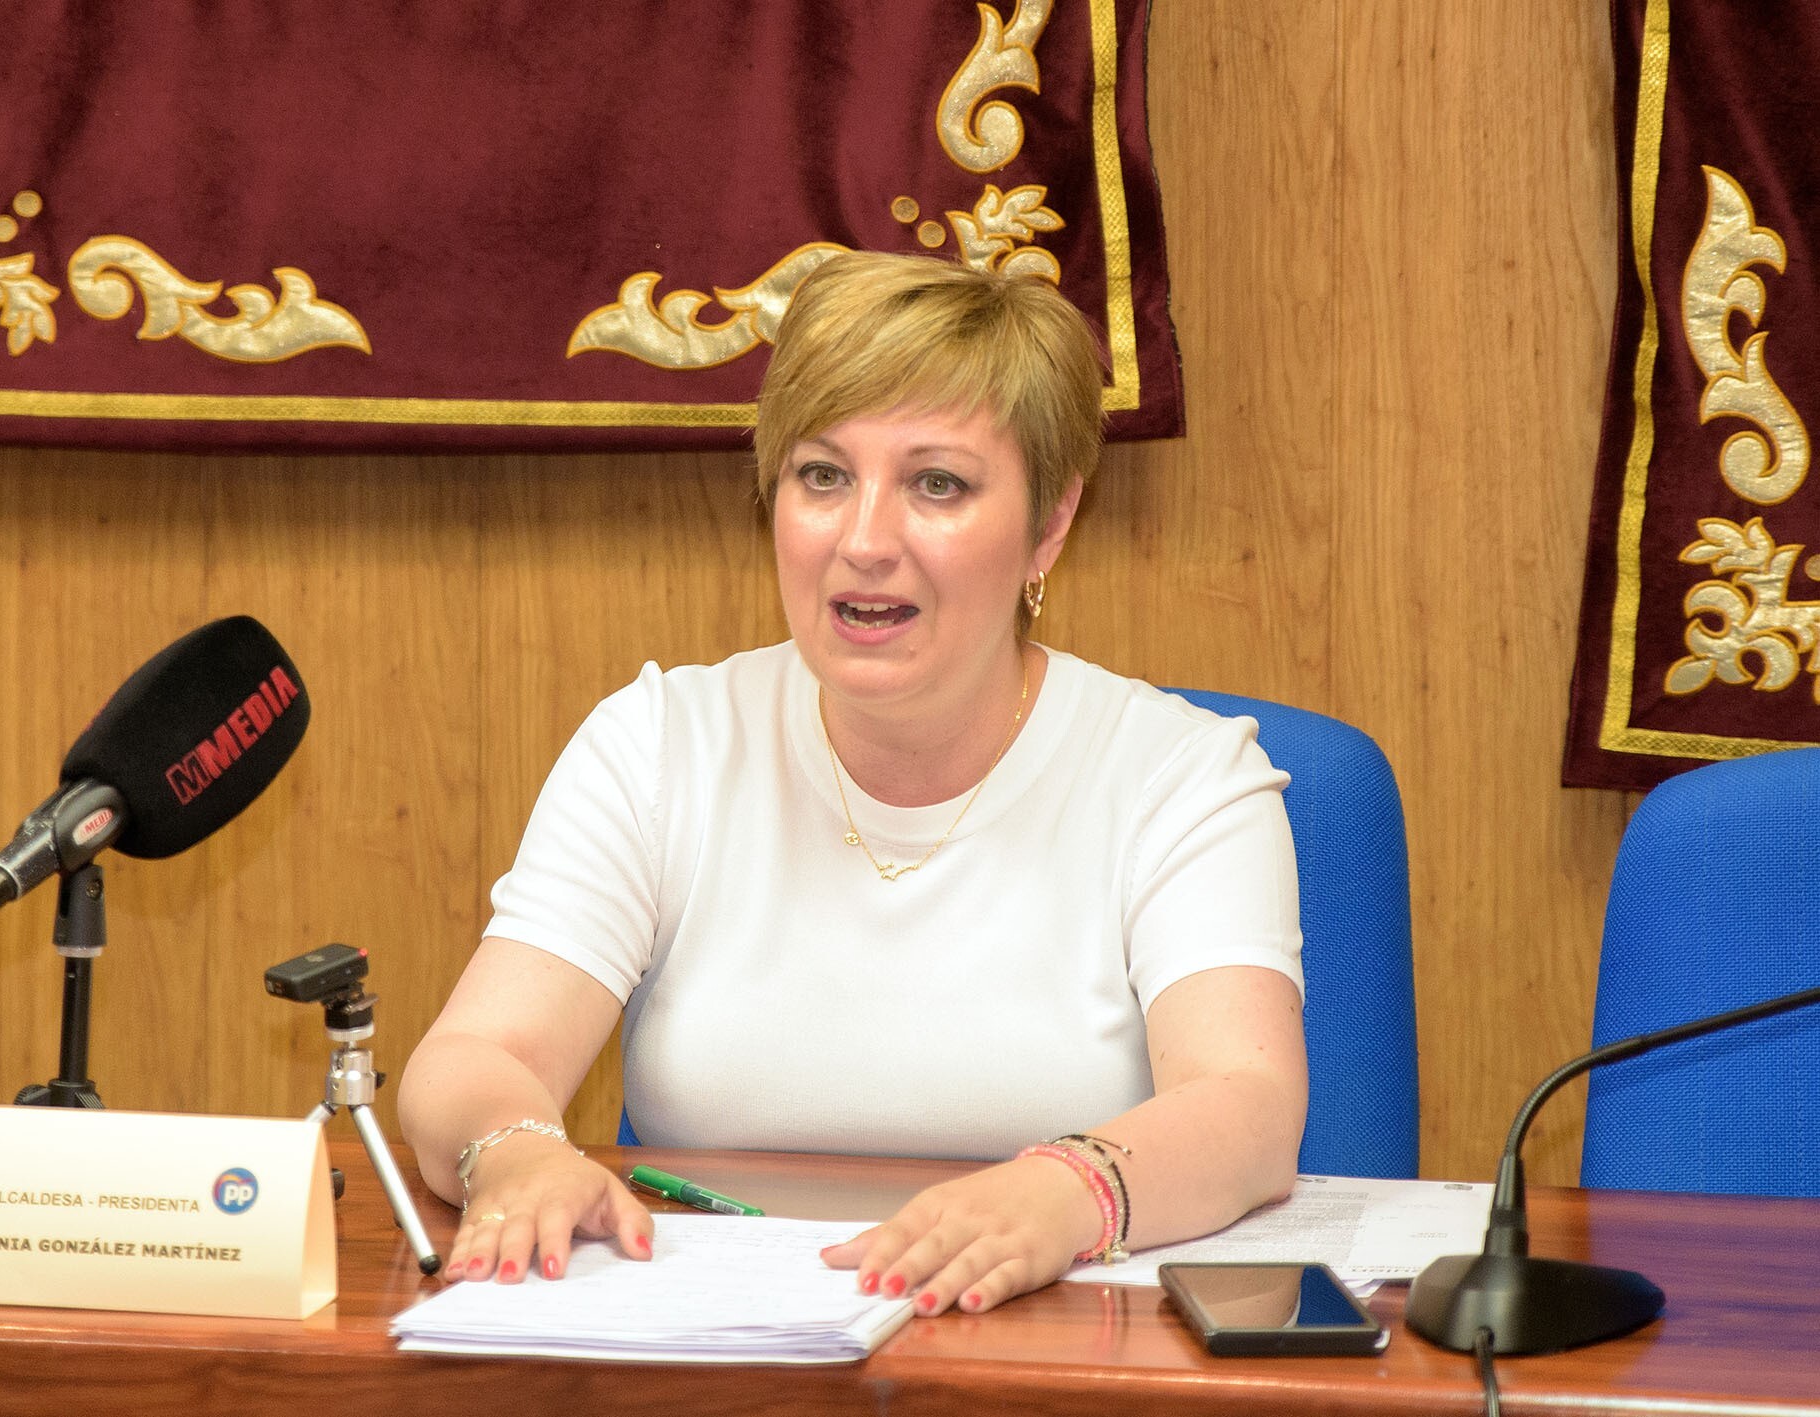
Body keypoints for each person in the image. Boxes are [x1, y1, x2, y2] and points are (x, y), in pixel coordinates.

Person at [397, 250, 1307, 1317]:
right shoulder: (661, 744)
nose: (865, 541)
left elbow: (1246, 1103)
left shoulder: (1181, 777)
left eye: (937, 484)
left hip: (1058, 1336)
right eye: (823, 476)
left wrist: (1068, 1192)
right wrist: (514, 1152)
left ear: (1049, 525)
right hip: (719, 1341)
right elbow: (474, 1056)